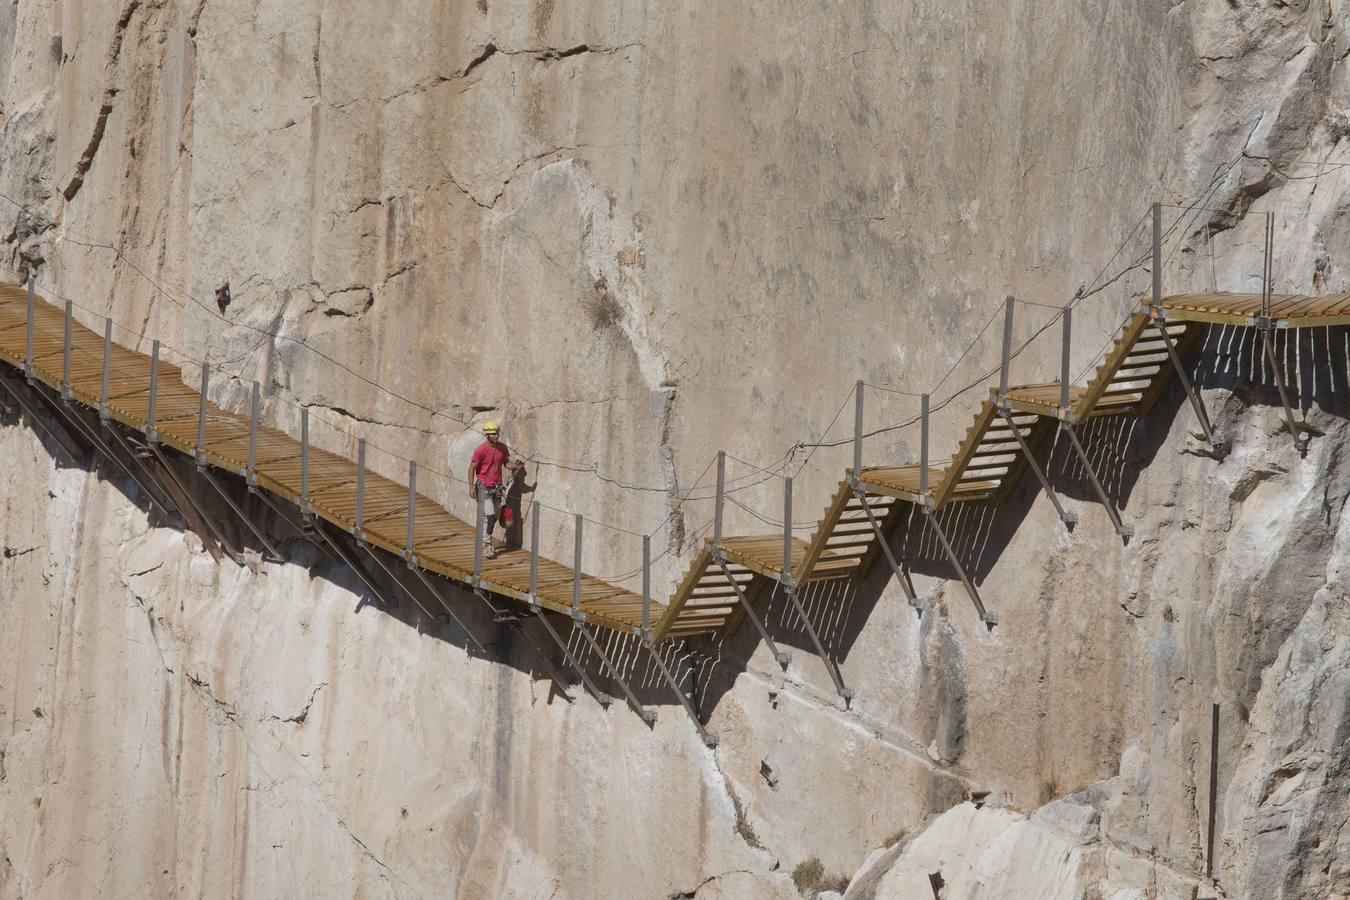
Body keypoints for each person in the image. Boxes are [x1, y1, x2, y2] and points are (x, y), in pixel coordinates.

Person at [468, 420, 521, 559]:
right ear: (487, 435)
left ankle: (485, 540)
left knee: (495, 516)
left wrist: (515, 466)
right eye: (492, 434)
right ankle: (486, 545)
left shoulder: (502, 448)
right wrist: (471, 487)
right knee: (490, 516)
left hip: (496, 487)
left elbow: (506, 463)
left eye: (496, 433)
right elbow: (472, 468)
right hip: (483, 486)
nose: (496, 436)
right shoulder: (481, 450)